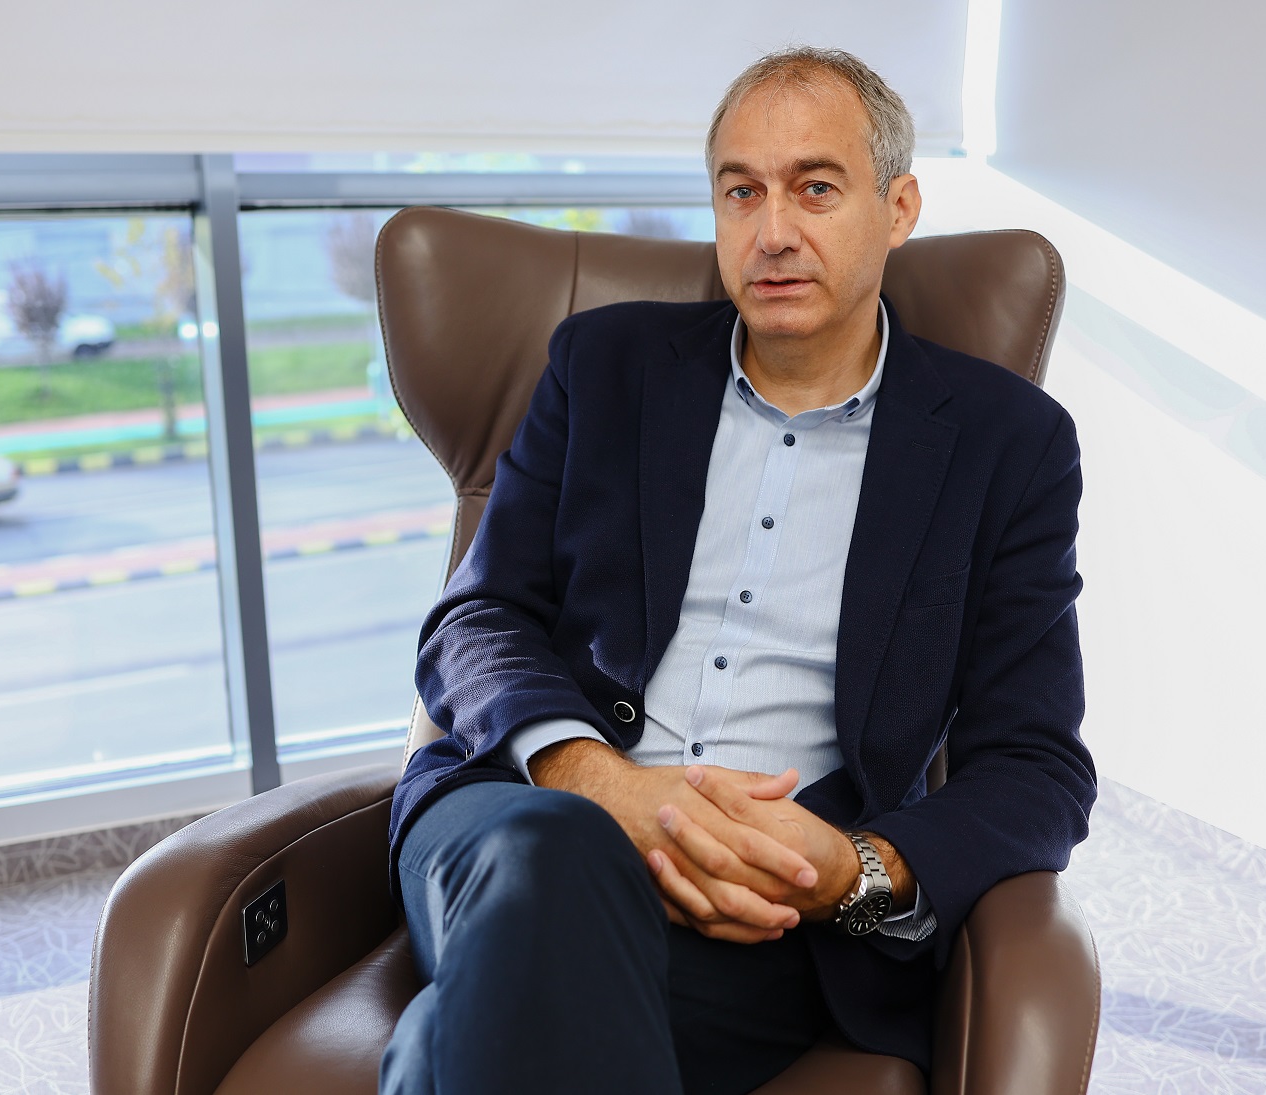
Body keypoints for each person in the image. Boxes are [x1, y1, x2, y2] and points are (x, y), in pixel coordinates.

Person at [380, 46, 1097, 1095]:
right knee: (553, 855)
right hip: (515, 808)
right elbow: (476, 618)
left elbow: (1037, 764)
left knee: (457, 1036)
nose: (773, 233)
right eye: (741, 191)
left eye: (816, 188)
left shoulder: (1008, 444)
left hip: (762, 900)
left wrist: (850, 870)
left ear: (898, 208)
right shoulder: (601, 365)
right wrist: (596, 781)